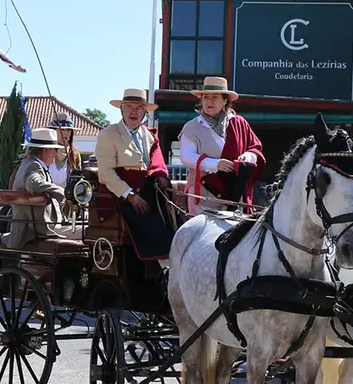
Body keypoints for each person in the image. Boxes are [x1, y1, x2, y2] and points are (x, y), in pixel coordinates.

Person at [94, 88, 175, 260]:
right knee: (156, 233)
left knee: (177, 224)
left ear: (145, 112)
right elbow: (106, 174)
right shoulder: (108, 134)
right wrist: (131, 196)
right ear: (121, 109)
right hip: (120, 197)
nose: (133, 111)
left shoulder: (150, 136)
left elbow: (157, 162)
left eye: (138, 107)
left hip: (149, 194)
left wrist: (161, 177)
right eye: (129, 106)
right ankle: (164, 271)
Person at [177, 76, 265, 214]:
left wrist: (248, 156)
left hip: (235, 193)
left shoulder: (240, 123)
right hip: (205, 193)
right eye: (206, 97)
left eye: (215, 97)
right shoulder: (191, 127)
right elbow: (186, 156)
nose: (209, 101)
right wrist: (215, 164)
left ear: (225, 100)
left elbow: (255, 147)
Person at [1, 128, 68, 250]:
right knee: (89, 233)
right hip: (39, 229)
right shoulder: (33, 165)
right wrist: (62, 192)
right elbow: (33, 184)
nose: (56, 154)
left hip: (38, 226)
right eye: (55, 149)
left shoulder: (29, 163)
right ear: (46, 150)